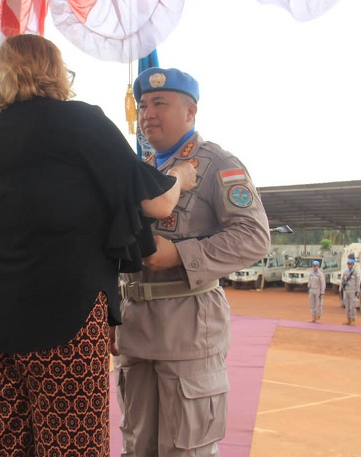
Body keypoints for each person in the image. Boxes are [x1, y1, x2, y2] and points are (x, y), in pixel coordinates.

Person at [0, 35, 197, 457]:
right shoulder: (79, 121)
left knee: (7, 446)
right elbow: (156, 201)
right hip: (63, 314)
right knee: (71, 446)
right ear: (56, 72)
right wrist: (181, 175)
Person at [114, 66, 271, 457]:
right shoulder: (142, 171)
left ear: (190, 111)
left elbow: (253, 237)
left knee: (185, 450)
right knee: (137, 446)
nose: (148, 113)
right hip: (135, 330)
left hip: (188, 329)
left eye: (160, 103)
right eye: (144, 104)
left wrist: (180, 255)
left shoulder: (217, 164)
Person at [341, 258, 360, 325]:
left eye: (351, 264)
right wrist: (342, 286)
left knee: (353, 306)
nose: (350, 266)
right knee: (347, 306)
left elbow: (358, 282)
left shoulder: (356, 273)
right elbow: (343, 280)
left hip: (353, 290)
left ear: (353, 265)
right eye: (349, 264)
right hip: (346, 290)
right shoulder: (345, 272)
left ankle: (353, 319)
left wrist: (357, 291)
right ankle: (348, 319)